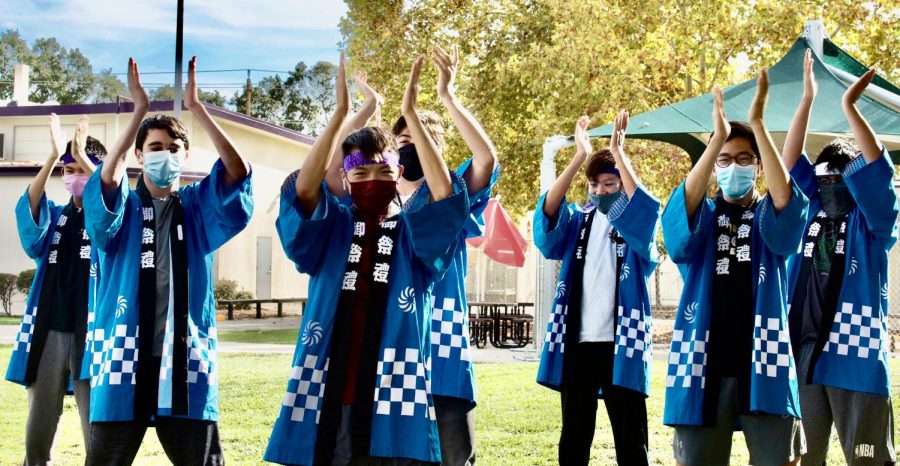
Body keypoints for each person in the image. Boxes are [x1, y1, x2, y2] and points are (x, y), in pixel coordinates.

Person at [264, 54, 469, 465]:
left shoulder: (413, 232)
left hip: (395, 394)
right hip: (328, 387)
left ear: (396, 175)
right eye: (359, 174)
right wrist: (341, 116)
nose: (370, 181)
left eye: (381, 172)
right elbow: (304, 191)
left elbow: (446, 198)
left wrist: (410, 111)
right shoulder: (334, 228)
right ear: (345, 178)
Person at [82, 56, 253, 465]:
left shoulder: (195, 208)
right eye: (155, 148)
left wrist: (199, 109)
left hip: (185, 359)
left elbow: (237, 172)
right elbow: (106, 182)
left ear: (185, 156)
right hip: (124, 357)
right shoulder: (122, 207)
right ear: (139, 155)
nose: (165, 154)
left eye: (174, 148)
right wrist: (138, 110)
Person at [661, 72, 809, 466]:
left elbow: (787, 204)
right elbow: (678, 230)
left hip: (765, 358)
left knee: (780, 459)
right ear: (712, 168)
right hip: (703, 362)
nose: (733, 168)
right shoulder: (704, 215)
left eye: (744, 160)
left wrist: (758, 125)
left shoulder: (767, 216)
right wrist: (715, 140)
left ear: (759, 167)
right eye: (724, 161)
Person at [783, 49, 898, 466]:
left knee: (866, 459)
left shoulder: (874, 225)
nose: (829, 185)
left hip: (856, 357)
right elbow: (790, 161)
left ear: (856, 184)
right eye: (824, 178)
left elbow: (875, 170)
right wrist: (807, 100)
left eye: (839, 179)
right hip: (805, 353)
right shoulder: (810, 211)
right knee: (801, 457)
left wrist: (849, 107)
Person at [534, 111, 659, 465]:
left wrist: (619, 153)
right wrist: (578, 157)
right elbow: (548, 219)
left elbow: (646, 213)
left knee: (631, 439)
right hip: (580, 342)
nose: (601, 191)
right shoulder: (579, 222)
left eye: (610, 184)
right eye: (594, 185)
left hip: (623, 343)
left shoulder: (634, 226)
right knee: (574, 438)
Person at [6, 113, 105, 465]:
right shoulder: (54, 216)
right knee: (38, 426)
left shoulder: (108, 218)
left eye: (78, 167)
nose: (71, 176)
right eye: (67, 170)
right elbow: (30, 222)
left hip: (92, 335)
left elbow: (112, 209)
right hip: (48, 332)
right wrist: (52, 157)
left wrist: (85, 160)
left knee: (95, 426)